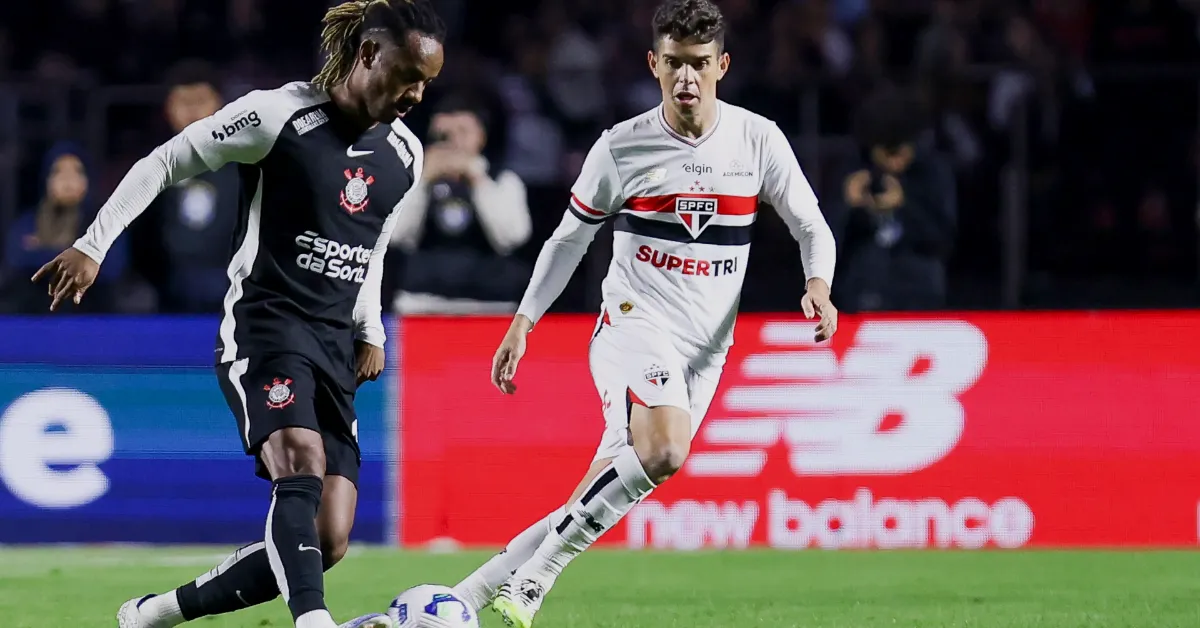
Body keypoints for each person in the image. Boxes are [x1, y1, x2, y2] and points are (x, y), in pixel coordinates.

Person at [30, 2, 445, 628]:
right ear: (368, 55)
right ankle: (314, 623)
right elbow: (167, 160)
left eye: (426, 83)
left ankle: (155, 614)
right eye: (409, 75)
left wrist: (369, 325)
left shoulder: (405, 154)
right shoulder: (278, 115)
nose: (416, 94)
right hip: (266, 326)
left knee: (328, 539)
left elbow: (372, 240)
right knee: (298, 461)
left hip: (335, 344)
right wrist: (93, 242)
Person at [450, 1, 838, 626]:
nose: (687, 78)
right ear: (654, 63)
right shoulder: (622, 147)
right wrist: (525, 321)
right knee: (664, 452)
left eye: (701, 65)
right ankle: (535, 582)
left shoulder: (757, 139)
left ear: (723, 66)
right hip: (635, 322)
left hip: (708, 349)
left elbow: (811, 224)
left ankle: (467, 595)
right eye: (676, 64)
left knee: (606, 485)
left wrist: (818, 284)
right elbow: (568, 240)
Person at [390, 95, 532, 314]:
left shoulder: (503, 179)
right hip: (423, 301)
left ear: (481, 136)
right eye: (444, 135)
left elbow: (512, 238)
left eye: (463, 132)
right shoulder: (412, 180)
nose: (453, 141)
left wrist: (477, 181)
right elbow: (396, 236)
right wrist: (423, 180)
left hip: (489, 303)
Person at [2, 141, 125, 313]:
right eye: (59, 172)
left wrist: (43, 250)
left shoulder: (103, 223)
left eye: (76, 172)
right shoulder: (28, 222)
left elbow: (112, 268)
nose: (67, 180)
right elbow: (16, 259)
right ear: (47, 180)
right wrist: (79, 255)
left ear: (88, 180)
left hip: (88, 313)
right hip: (34, 312)